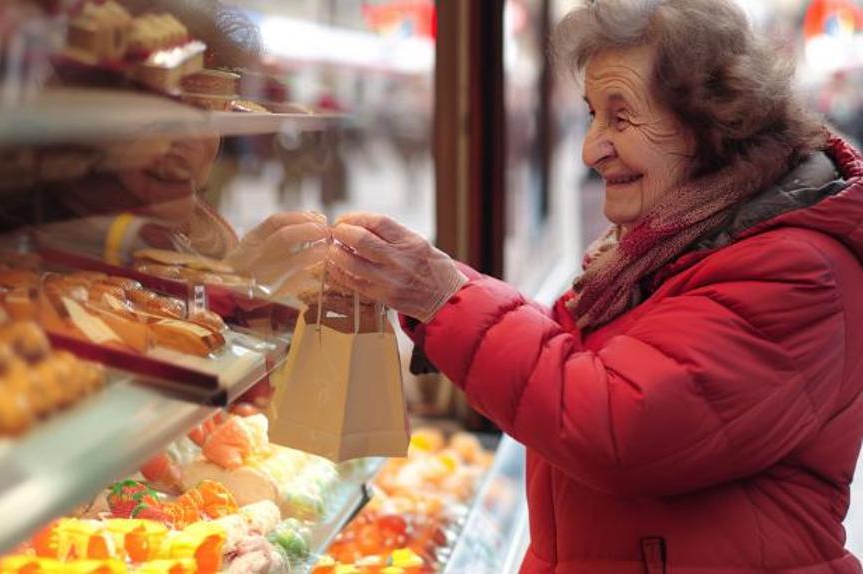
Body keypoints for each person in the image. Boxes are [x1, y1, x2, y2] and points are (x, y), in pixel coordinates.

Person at [260, 0, 863, 571]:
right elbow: (590, 360)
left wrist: (442, 295)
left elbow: (618, 424)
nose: (591, 148)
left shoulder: (795, 272)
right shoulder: (677, 246)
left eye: (621, 116)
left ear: (713, 124)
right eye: (592, 113)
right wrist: (422, 281)